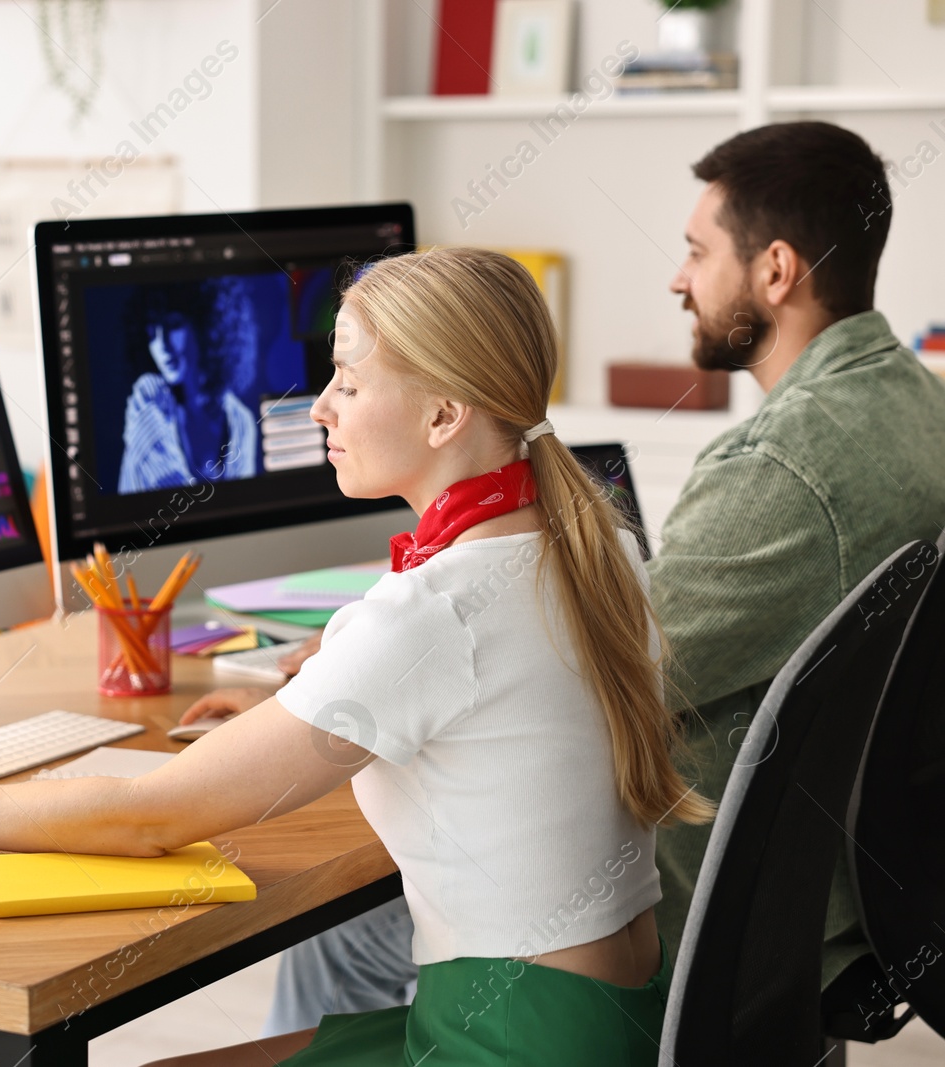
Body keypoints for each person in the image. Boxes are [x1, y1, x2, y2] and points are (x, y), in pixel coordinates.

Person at [0, 247, 712, 1065]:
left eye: (347, 379)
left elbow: (148, 817)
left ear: (444, 415)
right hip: (614, 1020)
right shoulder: (595, 544)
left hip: (510, 1040)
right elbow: (493, 709)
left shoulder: (431, 614)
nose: (321, 407)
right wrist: (314, 698)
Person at [191, 119, 945, 1034]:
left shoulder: (778, 467)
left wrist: (367, 679)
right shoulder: (917, 403)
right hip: (836, 888)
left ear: (776, 272)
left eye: (697, 253)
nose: (677, 278)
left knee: (341, 932)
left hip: (696, 910)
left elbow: (606, 674)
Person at [118, 277, 257, 492]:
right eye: (151, 332)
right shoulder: (149, 399)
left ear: (207, 326)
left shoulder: (240, 421)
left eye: (173, 326)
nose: (161, 346)